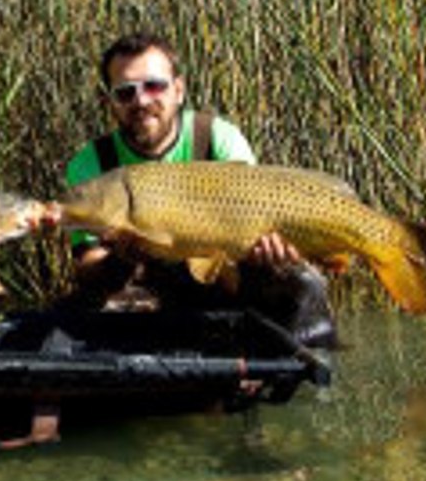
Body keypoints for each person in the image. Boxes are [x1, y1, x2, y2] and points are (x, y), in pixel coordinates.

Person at [63, 32, 335, 348]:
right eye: (125, 93)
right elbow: (89, 269)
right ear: (110, 101)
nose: (141, 101)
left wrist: (274, 259)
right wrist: (121, 260)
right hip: (144, 291)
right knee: (74, 314)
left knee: (298, 280)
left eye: (154, 86)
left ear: (178, 90)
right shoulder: (91, 165)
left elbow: (256, 225)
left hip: (227, 278)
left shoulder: (218, 138)